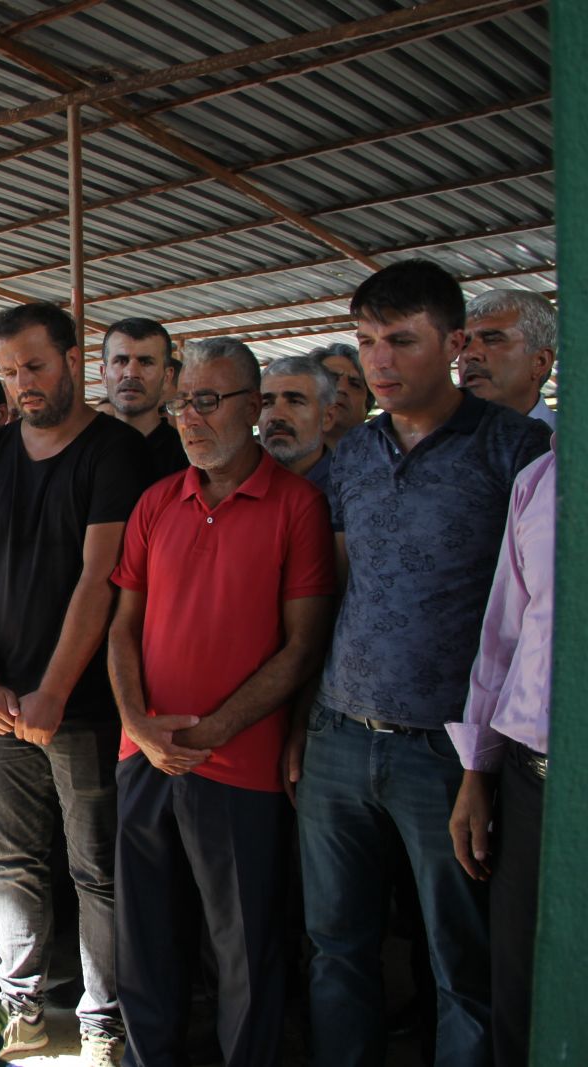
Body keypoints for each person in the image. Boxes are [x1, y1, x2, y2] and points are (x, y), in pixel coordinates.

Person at [295, 260, 549, 1066]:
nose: (379, 361)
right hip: (340, 731)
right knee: (336, 947)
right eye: (368, 342)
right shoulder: (355, 455)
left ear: (454, 342)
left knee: (461, 963)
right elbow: (331, 591)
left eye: (401, 340)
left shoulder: (516, 448)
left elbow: (528, 614)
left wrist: (485, 762)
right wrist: (306, 720)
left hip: (451, 750)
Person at [109, 337, 336, 1067]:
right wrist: (140, 725)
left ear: (251, 403)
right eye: (183, 403)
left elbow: (302, 646)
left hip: (239, 764)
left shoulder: (297, 505)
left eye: (208, 401)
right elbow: (122, 627)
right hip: (144, 757)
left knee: (245, 946)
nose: (190, 418)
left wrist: (209, 732)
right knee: (145, 940)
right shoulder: (155, 502)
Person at [0, 302, 150, 1064]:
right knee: (13, 865)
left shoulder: (113, 453)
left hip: (86, 707)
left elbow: (101, 578)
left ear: (72, 360)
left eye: (34, 365)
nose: (22, 383)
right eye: (8, 371)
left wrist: (55, 690)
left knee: (98, 871)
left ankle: (104, 1024)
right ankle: (23, 1013)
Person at [447, 440, 555, 1067]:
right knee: (521, 982)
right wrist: (477, 769)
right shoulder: (542, 478)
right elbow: (504, 635)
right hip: (531, 777)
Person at [100, 318, 186, 482]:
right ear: (104, 375)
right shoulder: (82, 451)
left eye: (146, 362)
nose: (131, 373)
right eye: (121, 361)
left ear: (167, 377)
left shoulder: (187, 459)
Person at [456, 289, 557, 427]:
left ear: (540, 362)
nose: (469, 354)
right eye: (464, 344)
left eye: (492, 340)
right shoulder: (432, 443)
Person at [258, 354, 338, 487]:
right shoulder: (232, 486)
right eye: (267, 403)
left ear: (327, 417)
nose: (276, 416)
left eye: (294, 402)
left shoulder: (353, 487)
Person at [312, 341, 372, 450]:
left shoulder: (388, 462)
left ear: (366, 407)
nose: (342, 388)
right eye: (331, 379)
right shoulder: (276, 458)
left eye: (355, 384)